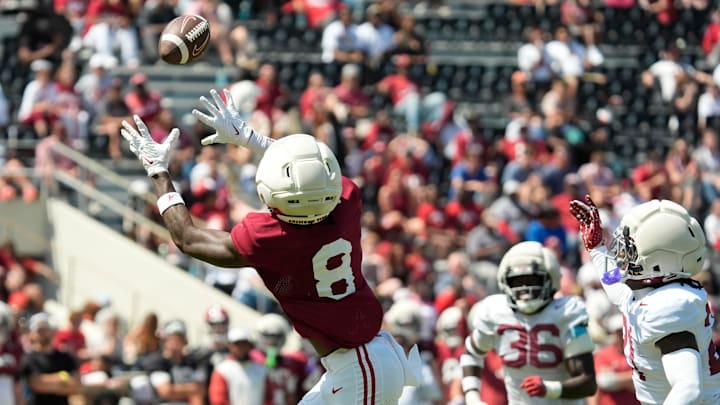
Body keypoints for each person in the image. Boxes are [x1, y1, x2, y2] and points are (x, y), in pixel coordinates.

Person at [119, 88, 420, 404]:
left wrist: (158, 170)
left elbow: (187, 238)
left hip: (361, 364)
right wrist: (252, 139)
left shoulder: (270, 237)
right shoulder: (347, 201)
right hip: (364, 359)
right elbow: (316, 175)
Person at [570, 195, 720, 404]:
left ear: (657, 260)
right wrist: (597, 249)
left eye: (630, 249)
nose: (621, 253)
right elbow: (616, 289)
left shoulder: (668, 306)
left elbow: (688, 388)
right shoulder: (651, 290)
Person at [461, 241, 597, 405]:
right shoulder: (495, 311)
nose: (525, 289)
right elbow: (472, 354)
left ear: (550, 279)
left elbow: (588, 383)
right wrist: (472, 396)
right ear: (505, 283)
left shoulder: (566, 313)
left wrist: (548, 389)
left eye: (532, 280)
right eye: (517, 282)